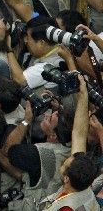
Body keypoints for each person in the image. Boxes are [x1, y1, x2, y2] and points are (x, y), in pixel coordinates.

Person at [37, 75, 99, 210]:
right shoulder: (82, 181)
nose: (71, 155)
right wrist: (83, 95)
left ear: (66, 179)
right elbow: (79, 133)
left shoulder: (67, 208)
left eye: (67, 161)